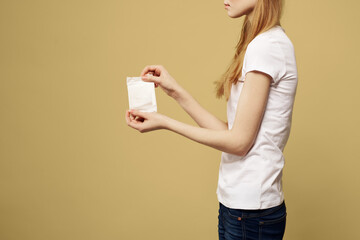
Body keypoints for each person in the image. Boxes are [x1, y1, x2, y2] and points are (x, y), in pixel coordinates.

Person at [125, 0, 297, 239]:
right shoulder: (262, 43)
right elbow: (232, 133)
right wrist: (174, 91)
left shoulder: (267, 46)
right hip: (236, 207)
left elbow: (239, 143)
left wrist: (165, 122)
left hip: (250, 213)